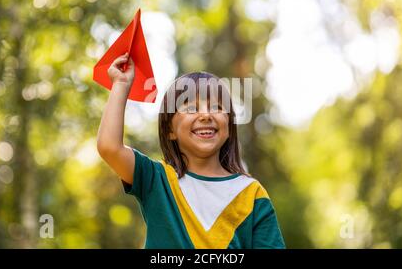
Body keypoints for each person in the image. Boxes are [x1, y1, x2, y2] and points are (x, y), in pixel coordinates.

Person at [97, 52, 285, 249]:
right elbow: (109, 147)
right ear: (170, 130)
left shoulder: (251, 194)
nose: (205, 115)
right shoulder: (156, 179)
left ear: (229, 125)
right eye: (191, 108)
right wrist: (120, 84)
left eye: (216, 107)